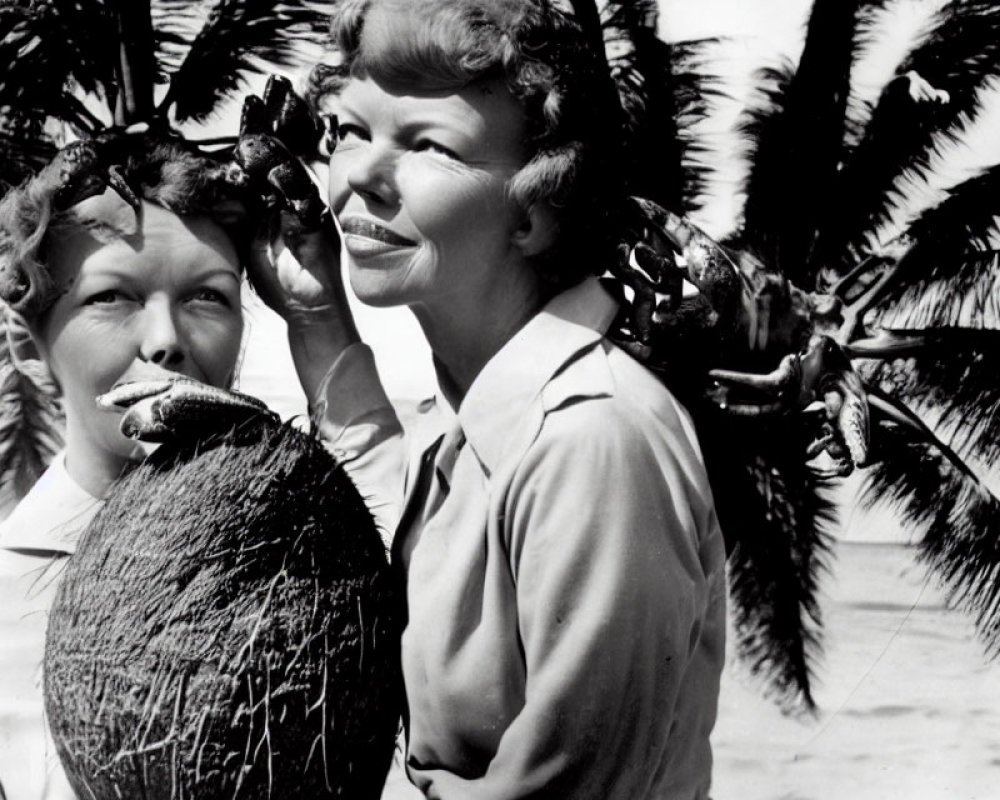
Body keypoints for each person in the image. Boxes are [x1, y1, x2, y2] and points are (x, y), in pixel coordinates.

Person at [246, 0, 728, 797]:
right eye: (350, 131)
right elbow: (404, 527)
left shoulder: (589, 439)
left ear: (535, 212)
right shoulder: (486, 410)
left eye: (429, 145)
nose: (359, 173)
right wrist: (316, 313)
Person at [0, 134, 252, 800]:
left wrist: (320, 325)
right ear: (30, 347)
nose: (167, 341)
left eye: (208, 297)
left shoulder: (293, 551)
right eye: (113, 298)